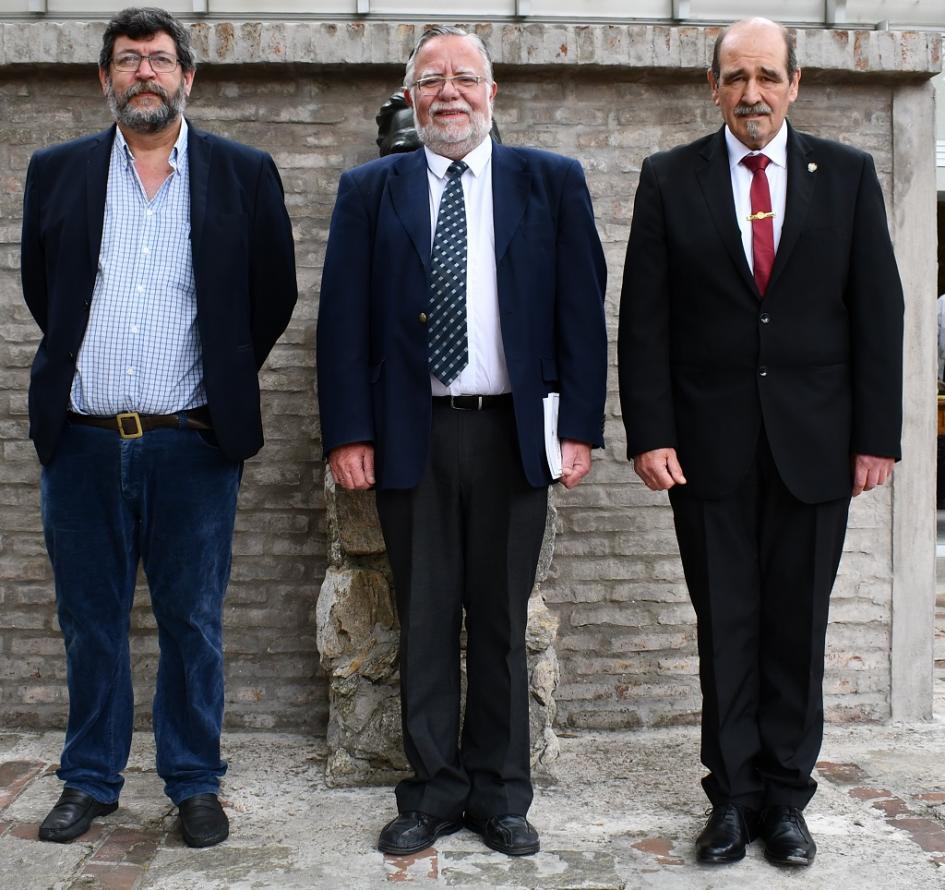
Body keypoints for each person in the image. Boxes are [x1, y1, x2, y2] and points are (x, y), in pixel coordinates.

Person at [618, 17, 903, 869]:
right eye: (735, 78)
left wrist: (875, 437)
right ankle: (731, 801)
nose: (751, 94)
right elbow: (644, 320)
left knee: (795, 627)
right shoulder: (669, 179)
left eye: (766, 77)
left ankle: (786, 801)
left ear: (794, 82)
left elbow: (877, 314)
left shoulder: (847, 177)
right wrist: (650, 432)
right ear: (713, 87)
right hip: (705, 449)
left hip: (816, 446)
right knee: (726, 625)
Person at [317, 25, 607, 858]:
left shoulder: (549, 182)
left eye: (465, 79)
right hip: (412, 436)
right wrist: (349, 434)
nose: (449, 92)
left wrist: (579, 428)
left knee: (502, 625)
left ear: (492, 94)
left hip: (514, 432)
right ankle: (433, 790)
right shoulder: (369, 189)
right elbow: (341, 324)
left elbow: (581, 315)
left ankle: (501, 794)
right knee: (426, 619)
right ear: (410, 96)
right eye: (432, 80)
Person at [21, 7, 297, 848]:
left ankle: (193, 782)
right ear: (105, 79)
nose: (146, 72)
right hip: (83, 439)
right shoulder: (58, 171)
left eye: (161, 59)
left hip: (192, 440)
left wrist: (217, 383)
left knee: (192, 621)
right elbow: (46, 290)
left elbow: (270, 296)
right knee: (90, 622)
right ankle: (91, 780)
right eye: (129, 60)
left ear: (188, 78)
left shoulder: (243, 173)